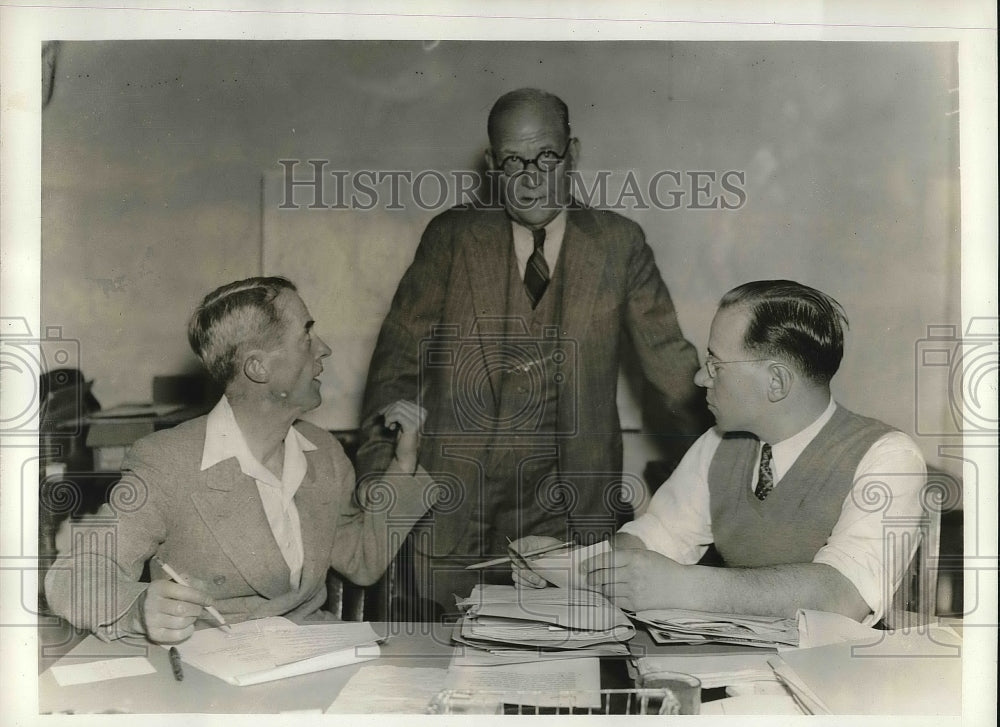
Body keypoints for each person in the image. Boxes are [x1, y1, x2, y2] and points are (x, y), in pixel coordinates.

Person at [357, 88, 708, 615]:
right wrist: (382, 488)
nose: (529, 178)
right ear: (492, 165)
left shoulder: (619, 244)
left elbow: (675, 374)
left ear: (574, 153)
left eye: (546, 157)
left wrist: (729, 472)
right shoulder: (450, 239)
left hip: (572, 518)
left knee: (565, 675)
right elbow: (395, 372)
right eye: (513, 161)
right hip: (451, 515)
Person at [45, 276, 433, 644]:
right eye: (306, 335)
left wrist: (404, 463)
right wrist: (136, 609)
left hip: (311, 661)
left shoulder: (324, 453)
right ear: (258, 367)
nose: (324, 349)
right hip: (208, 679)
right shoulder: (169, 462)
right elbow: (72, 578)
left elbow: (362, 559)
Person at [514, 280, 927, 625]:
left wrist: (683, 586)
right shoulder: (718, 443)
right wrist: (563, 567)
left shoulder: (888, 457)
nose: (699, 377)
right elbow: (658, 538)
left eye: (716, 364)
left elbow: (845, 594)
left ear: (776, 382)